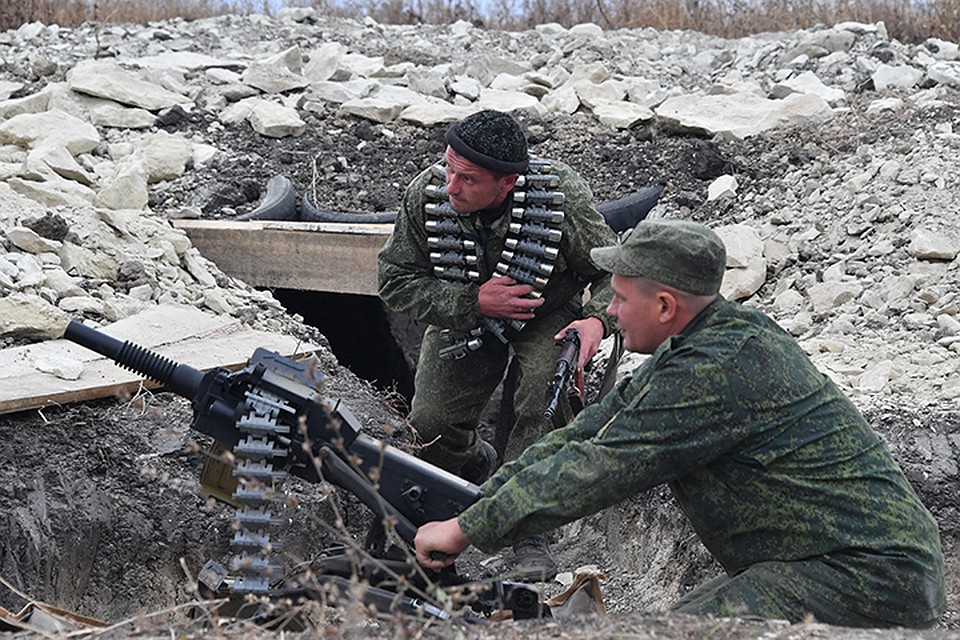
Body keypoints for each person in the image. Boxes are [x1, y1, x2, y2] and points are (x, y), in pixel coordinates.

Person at [414, 218, 946, 628]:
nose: (612, 313)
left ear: (665, 305)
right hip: (824, 563)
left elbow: (597, 468)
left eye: (620, 299)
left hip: (867, 575)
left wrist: (466, 531)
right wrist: (474, 503)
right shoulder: (703, 343)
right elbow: (588, 431)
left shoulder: (714, 370)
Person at [377, 109, 618, 580]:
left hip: (545, 313)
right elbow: (395, 280)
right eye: (448, 168)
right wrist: (473, 301)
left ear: (507, 184)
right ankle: (473, 465)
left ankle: (526, 524)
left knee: (542, 401)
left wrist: (594, 323)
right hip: (464, 315)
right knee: (431, 424)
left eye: (467, 179)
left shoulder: (557, 195)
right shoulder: (428, 196)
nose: (450, 186)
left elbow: (611, 269)